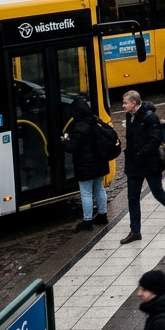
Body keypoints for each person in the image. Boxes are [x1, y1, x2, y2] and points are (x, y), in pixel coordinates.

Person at [120, 90, 165, 244]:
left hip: (149, 163)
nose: (123, 106)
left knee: (157, 192)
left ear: (134, 103)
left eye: (125, 103)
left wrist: (140, 153)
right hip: (134, 164)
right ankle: (135, 231)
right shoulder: (129, 116)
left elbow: (154, 140)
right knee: (132, 197)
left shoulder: (150, 117)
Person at [63, 96, 110, 232]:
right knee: (99, 188)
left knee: (86, 192)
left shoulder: (78, 127)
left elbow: (72, 147)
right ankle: (102, 214)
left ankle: (87, 221)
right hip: (99, 162)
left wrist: (64, 141)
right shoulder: (95, 121)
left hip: (85, 165)